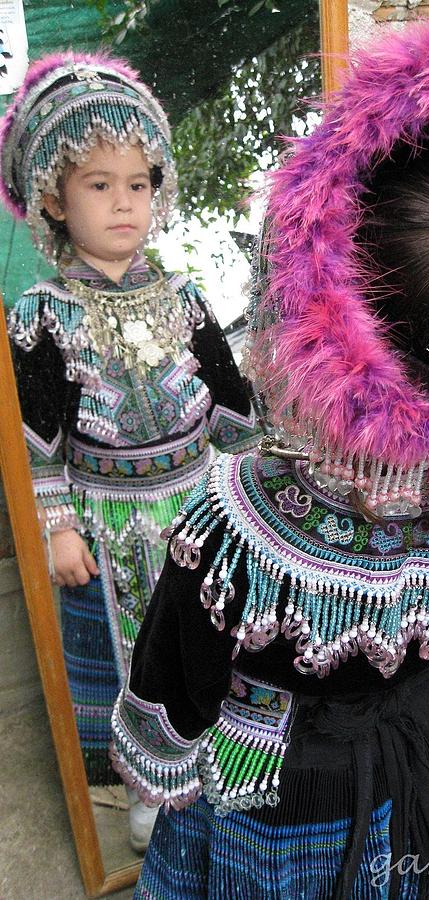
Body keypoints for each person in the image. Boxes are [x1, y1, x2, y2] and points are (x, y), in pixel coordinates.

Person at [110, 12, 429, 899]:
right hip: (421, 776)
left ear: (314, 302)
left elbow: (171, 710)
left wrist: (154, 779)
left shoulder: (237, 524)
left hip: (273, 811)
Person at [0, 53, 260, 849]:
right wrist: (58, 528)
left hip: (200, 505)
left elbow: (231, 407)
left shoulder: (185, 298)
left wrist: (250, 485)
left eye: (138, 183)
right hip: (111, 528)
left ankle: (221, 758)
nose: (123, 203)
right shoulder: (41, 317)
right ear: (52, 196)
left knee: (212, 641)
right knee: (134, 654)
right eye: (98, 185)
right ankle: (150, 791)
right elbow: (38, 443)